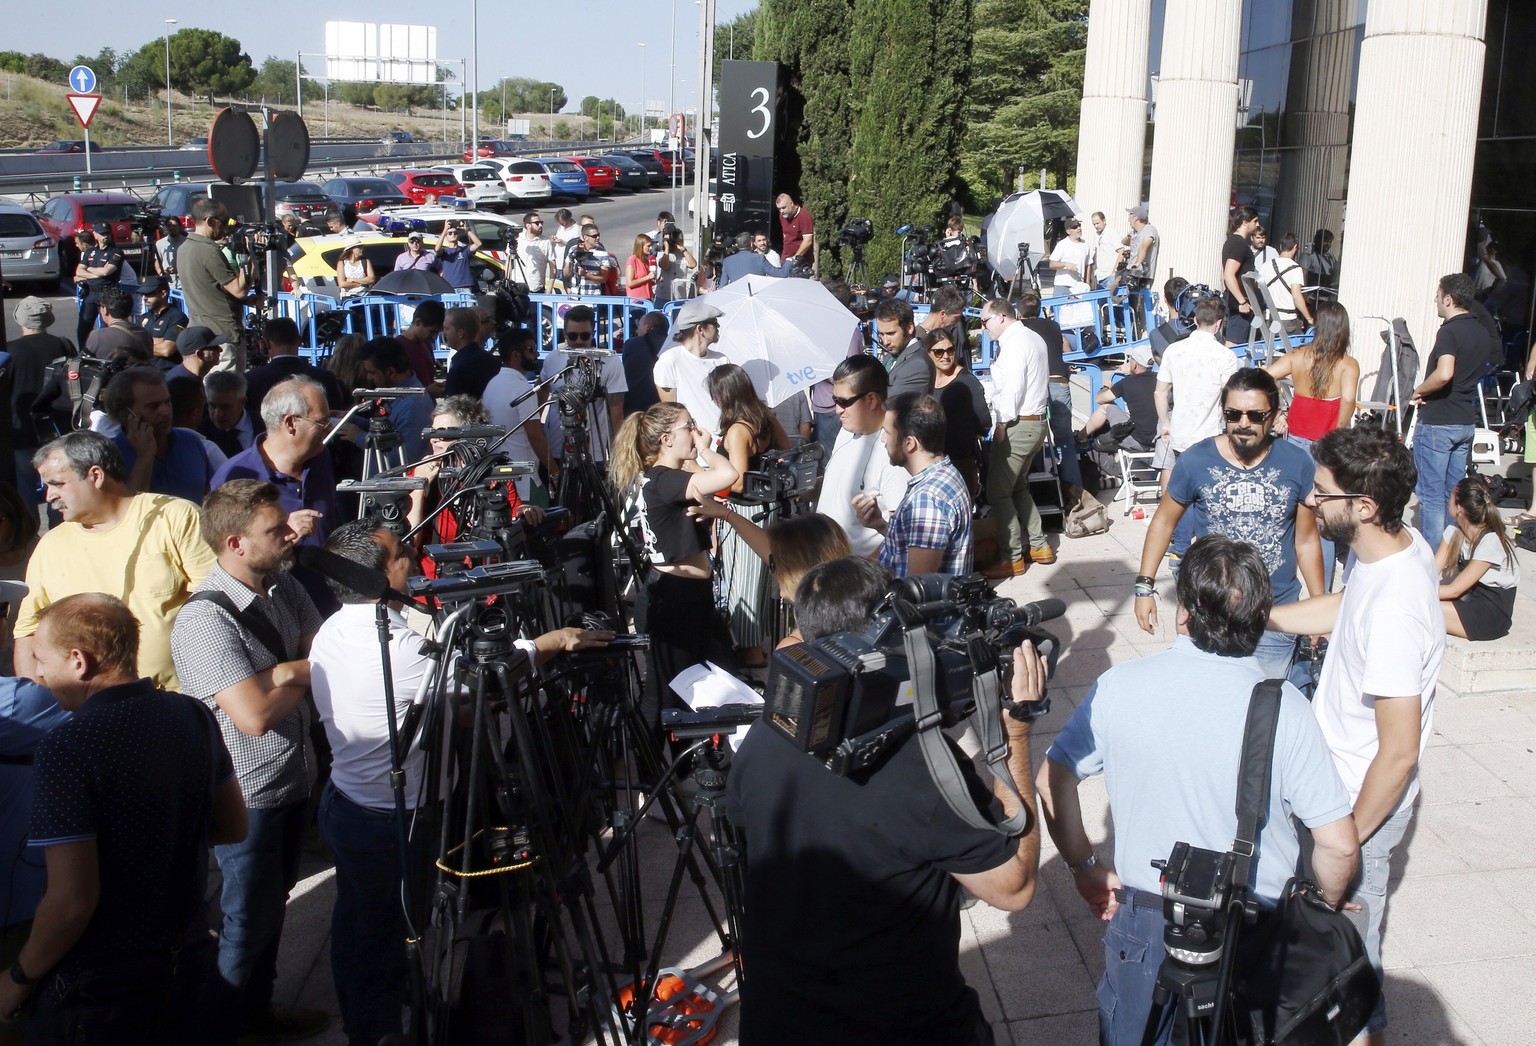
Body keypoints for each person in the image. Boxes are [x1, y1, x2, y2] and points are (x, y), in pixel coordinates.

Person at [1039, 536, 1359, 1046]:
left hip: (1146, 923)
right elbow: (1339, 844)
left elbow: (1053, 779)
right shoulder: (1286, 709)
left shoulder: (1118, 687)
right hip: (1255, 930)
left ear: (1184, 611)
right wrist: (1324, 902)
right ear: (1259, 618)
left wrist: (1085, 869)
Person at [308, 520, 609, 1044]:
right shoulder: (395, 649)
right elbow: (488, 675)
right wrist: (553, 641)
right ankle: (380, 1030)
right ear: (376, 575)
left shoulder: (335, 628)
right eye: (401, 554)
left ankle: (371, 1016)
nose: (413, 558)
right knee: (387, 937)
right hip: (393, 820)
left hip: (350, 806)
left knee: (357, 923)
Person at [725, 555, 1044, 1046]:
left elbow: (743, 818)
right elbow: (1014, 887)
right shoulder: (924, 768)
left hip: (777, 1021)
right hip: (899, 1026)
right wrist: (1015, 733)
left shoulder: (771, 728)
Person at [0, 594, 246, 1046]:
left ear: (78, 661)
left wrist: (18, 976)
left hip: (98, 990)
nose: (36, 674)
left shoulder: (67, 747)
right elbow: (233, 827)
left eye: (40, 659)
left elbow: (71, 901)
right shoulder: (191, 713)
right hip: (184, 968)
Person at [1268, 426, 1444, 1045]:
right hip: (1337, 790)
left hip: (1354, 805)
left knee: (1346, 974)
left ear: (1363, 506)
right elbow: (1346, 606)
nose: (1312, 503)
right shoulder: (1395, 546)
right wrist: (1260, 615)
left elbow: (1398, 754)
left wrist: (1345, 838)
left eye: (1323, 493)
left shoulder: (1397, 609)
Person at [170, 480, 330, 1046]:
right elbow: (254, 715)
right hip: (250, 795)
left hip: (295, 777)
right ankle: (225, 1027)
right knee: (245, 924)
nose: (290, 534)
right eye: (275, 530)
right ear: (235, 543)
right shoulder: (202, 621)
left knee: (270, 910)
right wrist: (292, 672)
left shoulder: (282, 586)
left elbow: (321, 645)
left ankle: (257, 1015)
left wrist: (286, 672)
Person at [1136, 368, 1324, 679]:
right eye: (1233, 414)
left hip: (1274, 617)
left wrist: (1318, 607)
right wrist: (1144, 588)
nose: (1244, 424)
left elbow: (1305, 540)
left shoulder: (1296, 462)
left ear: (1275, 414)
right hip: (1208, 613)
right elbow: (1163, 522)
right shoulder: (1196, 460)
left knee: (1262, 710)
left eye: (1256, 415)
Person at [611, 402, 737, 727]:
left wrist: (695, 456)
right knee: (663, 693)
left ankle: (694, 760)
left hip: (691, 596)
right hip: (672, 600)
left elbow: (709, 485)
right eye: (688, 426)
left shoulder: (669, 477)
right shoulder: (665, 480)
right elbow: (729, 475)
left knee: (719, 673)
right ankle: (654, 768)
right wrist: (707, 449)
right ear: (666, 439)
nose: (695, 432)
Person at [211, 375, 343, 612]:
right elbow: (225, 561)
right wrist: (284, 534)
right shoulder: (236, 478)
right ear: (291, 423)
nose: (329, 429)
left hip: (327, 607)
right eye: (322, 423)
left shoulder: (319, 458)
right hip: (275, 617)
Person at [708, 365, 790, 668]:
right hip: (766, 508)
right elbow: (787, 447)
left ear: (723, 394)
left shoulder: (738, 429)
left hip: (743, 511)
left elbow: (738, 480)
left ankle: (750, 650)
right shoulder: (763, 416)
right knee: (757, 579)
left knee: (742, 581)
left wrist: (709, 478)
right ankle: (757, 644)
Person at [407, 395, 545, 571]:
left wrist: (525, 511)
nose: (434, 439)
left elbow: (513, 513)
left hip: (486, 575)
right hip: (436, 578)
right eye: (432, 432)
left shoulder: (493, 473)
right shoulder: (422, 472)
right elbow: (410, 541)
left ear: (469, 435)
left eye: (443, 433)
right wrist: (419, 488)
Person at [1412, 273, 1497, 544]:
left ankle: (1434, 560)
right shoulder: (1481, 331)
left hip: (1439, 421)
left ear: (1448, 299)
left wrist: (1420, 389)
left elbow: (1445, 373)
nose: (1435, 300)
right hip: (1464, 420)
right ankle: (1452, 552)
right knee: (1454, 494)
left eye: (1437, 296)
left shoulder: (1449, 331)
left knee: (1432, 495)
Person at [854, 393, 973, 577]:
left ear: (909, 443)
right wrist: (881, 525)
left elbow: (917, 586)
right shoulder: (945, 474)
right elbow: (913, 548)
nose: (883, 440)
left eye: (887, 432)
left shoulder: (927, 498)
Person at [981, 298, 1053, 577]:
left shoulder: (1014, 344)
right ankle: (1039, 545)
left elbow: (1012, 389)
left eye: (985, 321)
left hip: (1019, 424)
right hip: (1035, 423)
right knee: (1018, 487)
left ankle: (1011, 557)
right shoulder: (1032, 337)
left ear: (1000, 317)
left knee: (998, 492)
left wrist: (1001, 424)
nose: (984, 328)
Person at [816, 355, 911, 560]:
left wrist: (861, 574)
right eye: (835, 400)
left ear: (871, 400)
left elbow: (900, 537)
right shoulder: (847, 431)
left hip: (856, 579)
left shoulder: (892, 453)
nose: (837, 409)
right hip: (826, 568)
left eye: (844, 401)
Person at [1154, 295, 1240, 489]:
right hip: (1210, 436)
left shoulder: (1173, 351)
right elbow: (1229, 396)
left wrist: (1166, 424)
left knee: (1183, 488)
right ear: (1219, 324)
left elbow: (1160, 393)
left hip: (1180, 434)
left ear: (1195, 320)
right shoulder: (1226, 356)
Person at [103, 367, 213, 503]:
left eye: (167, 402)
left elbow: (209, 495)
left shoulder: (191, 442)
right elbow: (128, 511)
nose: (165, 411)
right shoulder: (110, 456)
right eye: (153, 406)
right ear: (127, 414)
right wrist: (144, 457)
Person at [1018, 290, 1085, 507]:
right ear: (1039, 310)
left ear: (1020, 312)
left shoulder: (1020, 329)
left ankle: (1037, 489)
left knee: (1034, 436)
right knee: (1065, 439)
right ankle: (1075, 493)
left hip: (1036, 382)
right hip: (1058, 379)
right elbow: (1064, 344)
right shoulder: (1053, 326)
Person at [7, 298, 74, 511]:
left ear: (20, 320)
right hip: (59, 429)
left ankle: (31, 538)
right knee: (61, 489)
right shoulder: (64, 345)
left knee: (26, 493)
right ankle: (59, 528)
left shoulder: (10, 351)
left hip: (23, 431)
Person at [539, 305, 628, 465]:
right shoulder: (553, 359)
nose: (579, 341)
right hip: (556, 449)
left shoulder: (610, 362)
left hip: (594, 453)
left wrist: (617, 455)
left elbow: (616, 412)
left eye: (585, 336)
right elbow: (541, 392)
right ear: (564, 334)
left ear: (593, 334)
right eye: (572, 336)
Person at [1435, 477, 1519, 641]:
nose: (1448, 500)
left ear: (1459, 508)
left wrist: (1416, 593)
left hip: (1490, 612)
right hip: (1469, 599)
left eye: (1451, 496)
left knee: (1416, 608)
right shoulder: (1454, 531)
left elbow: (1455, 589)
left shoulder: (1490, 542)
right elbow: (1431, 569)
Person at [176, 198, 248, 358]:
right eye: (223, 221)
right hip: (222, 337)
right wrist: (248, 257)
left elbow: (210, 289)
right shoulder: (209, 251)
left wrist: (246, 302)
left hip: (202, 333)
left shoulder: (183, 248)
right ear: (209, 221)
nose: (226, 227)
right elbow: (239, 290)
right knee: (228, 383)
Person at [244, 317, 346, 423]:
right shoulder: (325, 377)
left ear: (266, 343)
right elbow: (336, 420)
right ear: (300, 341)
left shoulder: (250, 380)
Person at [926, 329, 988, 495]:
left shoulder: (967, 381)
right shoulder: (925, 380)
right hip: (931, 460)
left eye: (950, 350)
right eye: (939, 351)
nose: (945, 356)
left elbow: (984, 421)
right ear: (928, 353)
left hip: (960, 461)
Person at [654, 300, 730, 437]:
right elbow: (670, 413)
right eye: (713, 322)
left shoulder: (722, 360)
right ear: (700, 329)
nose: (718, 326)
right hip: (693, 447)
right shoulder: (669, 361)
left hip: (723, 443)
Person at [354, 338, 435, 461]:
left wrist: (359, 437)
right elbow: (388, 428)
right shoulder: (399, 396)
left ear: (390, 372)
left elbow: (404, 458)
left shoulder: (413, 405)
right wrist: (352, 419)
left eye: (372, 372)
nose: (368, 377)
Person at [1078, 343, 1158, 452]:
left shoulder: (1127, 383)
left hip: (1137, 441)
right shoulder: (1160, 380)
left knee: (1105, 407)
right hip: (1159, 441)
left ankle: (1080, 437)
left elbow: (1100, 399)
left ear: (1134, 364)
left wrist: (1106, 387)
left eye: (1130, 359)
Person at [73, 223, 124, 349]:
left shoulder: (116, 252)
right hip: (91, 293)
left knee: (109, 327)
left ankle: (109, 353)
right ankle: (83, 353)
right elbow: (79, 271)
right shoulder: (90, 252)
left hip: (107, 293)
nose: (105, 236)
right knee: (84, 326)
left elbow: (107, 272)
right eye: (102, 234)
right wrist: (97, 273)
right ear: (95, 234)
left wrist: (89, 269)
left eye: (107, 233)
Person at [873, 297, 935, 399]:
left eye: (890, 333)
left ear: (909, 328)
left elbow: (890, 404)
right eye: (882, 334)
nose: (885, 341)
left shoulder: (917, 364)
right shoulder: (890, 356)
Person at [438, 305, 500, 399]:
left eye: (447, 329)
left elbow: (452, 410)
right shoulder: (494, 362)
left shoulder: (459, 369)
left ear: (460, 333)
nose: (444, 333)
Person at [1258, 232, 1314, 333]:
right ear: (1295, 247)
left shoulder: (1266, 265)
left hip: (1268, 318)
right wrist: (1309, 318)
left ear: (1281, 246)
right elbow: (1296, 296)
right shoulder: (1296, 269)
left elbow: (1258, 290)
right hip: (1287, 320)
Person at [1221, 206, 1261, 343]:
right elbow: (1228, 274)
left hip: (1235, 302)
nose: (1258, 225)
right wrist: (1242, 301)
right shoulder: (1239, 244)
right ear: (1245, 222)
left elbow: (1224, 275)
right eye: (1255, 221)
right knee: (1233, 345)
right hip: (1239, 306)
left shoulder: (1234, 242)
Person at [83, 285, 151, 361]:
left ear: (105, 310)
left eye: (100, 306)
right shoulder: (145, 334)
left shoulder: (97, 336)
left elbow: (82, 360)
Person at [622, 312, 670, 416]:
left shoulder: (631, 345)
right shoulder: (673, 346)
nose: (637, 330)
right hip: (662, 409)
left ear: (648, 326)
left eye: (639, 325)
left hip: (634, 408)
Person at [200, 371, 254, 460]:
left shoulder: (263, 426)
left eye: (225, 407)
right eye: (212, 406)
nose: (218, 414)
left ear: (242, 402)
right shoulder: (202, 433)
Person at [395, 299, 445, 392]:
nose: (434, 338)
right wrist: (427, 392)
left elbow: (427, 379)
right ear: (418, 322)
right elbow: (396, 390)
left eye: (438, 333)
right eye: (432, 331)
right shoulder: (397, 348)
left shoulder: (426, 344)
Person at [136, 276, 188, 361]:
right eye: (143, 294)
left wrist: (140, 343)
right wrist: (160, 341)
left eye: (149, 294)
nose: (145, 298)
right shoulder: (144, 318)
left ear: (163, 294)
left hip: (166, 371)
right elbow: (132, 341)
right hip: (145, 369)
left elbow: (166, 350)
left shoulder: (178, 318)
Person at [562, 222, 618, 296]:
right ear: (585, 237)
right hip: (575, 296)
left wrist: (586, 274)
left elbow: (604, 278)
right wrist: (570, 262)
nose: (598, 238)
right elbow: (565, 274)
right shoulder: (574, 249)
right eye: (594, 236)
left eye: (598, 235)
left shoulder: (602, 253)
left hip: (593, 296)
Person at [653, 224, 698, 306]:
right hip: (663, 296)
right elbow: (664, 265)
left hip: (679, 296)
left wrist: (683, 249)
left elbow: (693, 264)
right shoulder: (662, 255)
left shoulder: (683, 256)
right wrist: (666, 247)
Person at [434, 220, 483, 291]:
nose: (453, 234)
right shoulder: (445, 251)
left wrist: (467, 230)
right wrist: (445, 230)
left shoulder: (465, 250)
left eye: (455, 233)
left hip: (465, 286)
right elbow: (437, 249)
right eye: (450, 233)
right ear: (446, 237)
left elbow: (478, 244)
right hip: (448, 286)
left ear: (458, 236)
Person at [1047, 217, 1093, 292]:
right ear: (1068, 231)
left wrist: (1087, 283)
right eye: (1075, 227)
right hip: (1063, 284)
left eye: (1079, 225)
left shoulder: (1085, 244)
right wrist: (1065, 264)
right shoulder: (1062, 244)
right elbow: (1051, 264)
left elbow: (1088, 265)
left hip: (1079, 286)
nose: (1079, 228)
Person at [514, 212, 554, 292]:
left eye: (541, 223)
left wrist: (549, 289)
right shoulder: (517, 240)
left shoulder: (546, 242)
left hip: (536, 288)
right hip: (518, 288)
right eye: (537, 223)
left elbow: (553, 267)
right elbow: (508, 262)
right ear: (528, 225)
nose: (540, 225)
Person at [774, 192, 815, 268]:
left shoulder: (804, 215)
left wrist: (794, 259)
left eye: (783, 207)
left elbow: (808, 241)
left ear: (791, 203)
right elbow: (786, 234)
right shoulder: (782, 216)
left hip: (801, 261)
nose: (781, 211)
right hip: (785, 258)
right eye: (779, 209)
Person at [154, 215, 187, 289]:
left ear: (179, 227)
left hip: (182, 285)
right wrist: (160, 271)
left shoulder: (186, 242)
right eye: (169, 226)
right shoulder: (159, 243)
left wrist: (178, 269)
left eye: (174, 226)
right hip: (167, 284)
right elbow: (157, 261)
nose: (171, 228)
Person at [624, 233, 659, 300]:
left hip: (648, 300)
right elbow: (630, 283)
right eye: (648, 246)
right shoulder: (632, 259)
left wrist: (655, 282)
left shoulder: (646, 261)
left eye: (651, 246)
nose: (651, 248)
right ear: (641, 246)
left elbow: (644, 283)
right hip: (637, 302)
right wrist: (648, 277)